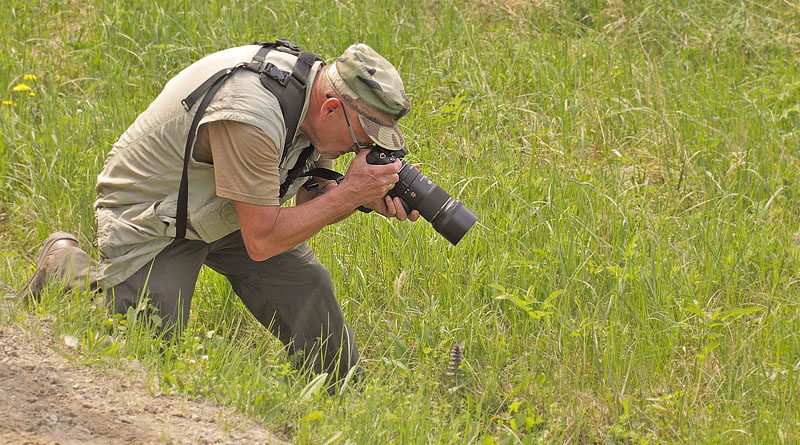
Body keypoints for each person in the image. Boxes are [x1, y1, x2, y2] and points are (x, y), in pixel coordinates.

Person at [19, 41, 419, 382]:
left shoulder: (317, 99)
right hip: (158, 209)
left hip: (232, 204)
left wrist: (345, 193)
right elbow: (262, 241)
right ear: (331, 108)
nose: (361, 151)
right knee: (148, 344)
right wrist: (347, 195)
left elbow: (303, 188)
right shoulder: (252, 114)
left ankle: (339, 395)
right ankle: (66, 267)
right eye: (362, 140)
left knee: (306, 284)